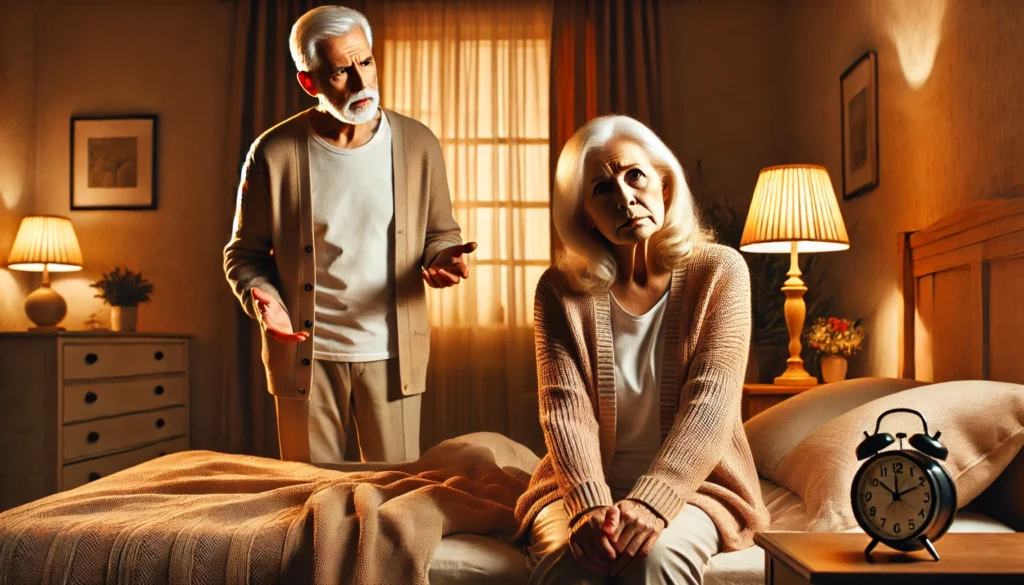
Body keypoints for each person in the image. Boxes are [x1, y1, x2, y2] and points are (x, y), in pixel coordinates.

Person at [515, 116, 769, 584]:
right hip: (579, 487)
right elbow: (563, 411)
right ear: (582, 214)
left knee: (654, 558)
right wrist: (590, 505)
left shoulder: (720, 272)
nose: (625, 198)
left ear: (665, 188)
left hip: (696, 489)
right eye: (601, 188)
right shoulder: (558, 290)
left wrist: (653, 501)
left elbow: (710, 405)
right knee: (572, 561)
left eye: (635, 176)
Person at [224, 5, 475, 464]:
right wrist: (264, 297)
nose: (362, 83)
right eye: (341, 71)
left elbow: (439, 233)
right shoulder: (273, 152)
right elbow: (244, 255)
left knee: (393, 497)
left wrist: (442, 259)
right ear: (309, 82)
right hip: (305, 358)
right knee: (308, 501)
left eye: (366, 63)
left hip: (392, 355)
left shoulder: (418, 143)